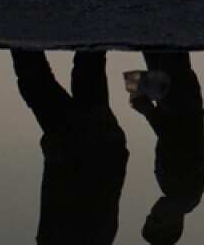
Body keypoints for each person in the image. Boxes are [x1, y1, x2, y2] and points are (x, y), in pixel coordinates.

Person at [12, 50, 129, 245]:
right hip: (79, 146)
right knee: (36, 83)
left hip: (101, 144)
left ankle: (92, 28)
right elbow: (65, 195)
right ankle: (19, 32)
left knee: (87, 73)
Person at [130, 53, 204, 245]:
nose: (153, 211)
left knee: (141, 71)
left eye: (150, 216)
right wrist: (148, 111)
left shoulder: (177, 192)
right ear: (172, 224)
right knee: (164, 51)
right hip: (180, 102)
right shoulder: (184, 191)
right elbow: (174, 138)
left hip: (172, 103)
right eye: (156, 219)